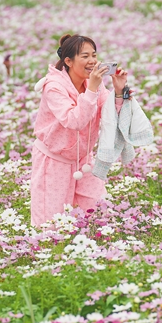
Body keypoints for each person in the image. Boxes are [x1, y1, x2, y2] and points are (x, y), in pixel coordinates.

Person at [29, 34, 129, 226]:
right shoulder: (54, 87)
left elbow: (111, 115)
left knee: (97, 210)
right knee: (50, 221)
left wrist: (119, 91)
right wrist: (92, 89)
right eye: (85, 56)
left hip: (83, 159)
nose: (92, 61)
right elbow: (74, 120)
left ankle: (94, 244)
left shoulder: (93, 83)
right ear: (68, 61)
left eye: (94, 55)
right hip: (54, 160)